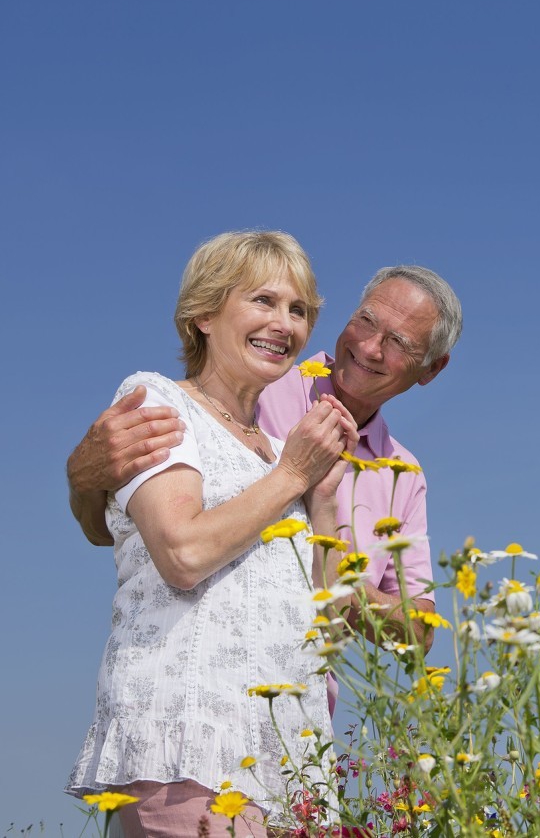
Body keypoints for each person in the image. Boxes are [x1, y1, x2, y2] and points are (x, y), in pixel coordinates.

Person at [66, 231, 360, 835]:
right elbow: (183, 552)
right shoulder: (159, 401)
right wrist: (294, 475)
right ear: (202, 313)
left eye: (299, 310)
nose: (285, 323)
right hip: (189, 750)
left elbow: (331, 628)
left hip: (289, 768)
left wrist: (323, 499)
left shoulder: (282, 453)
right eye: (263, 300)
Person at [66, 264, 462, 673]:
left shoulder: (403, 474)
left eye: (398, 341)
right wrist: (83, 479)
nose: (371, 348)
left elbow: (419, 633)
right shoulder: (253, 385)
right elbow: (124, 529)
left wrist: (340, 588)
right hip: (190, 674)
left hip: (303, 712)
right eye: (366, 321)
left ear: (432, 369)